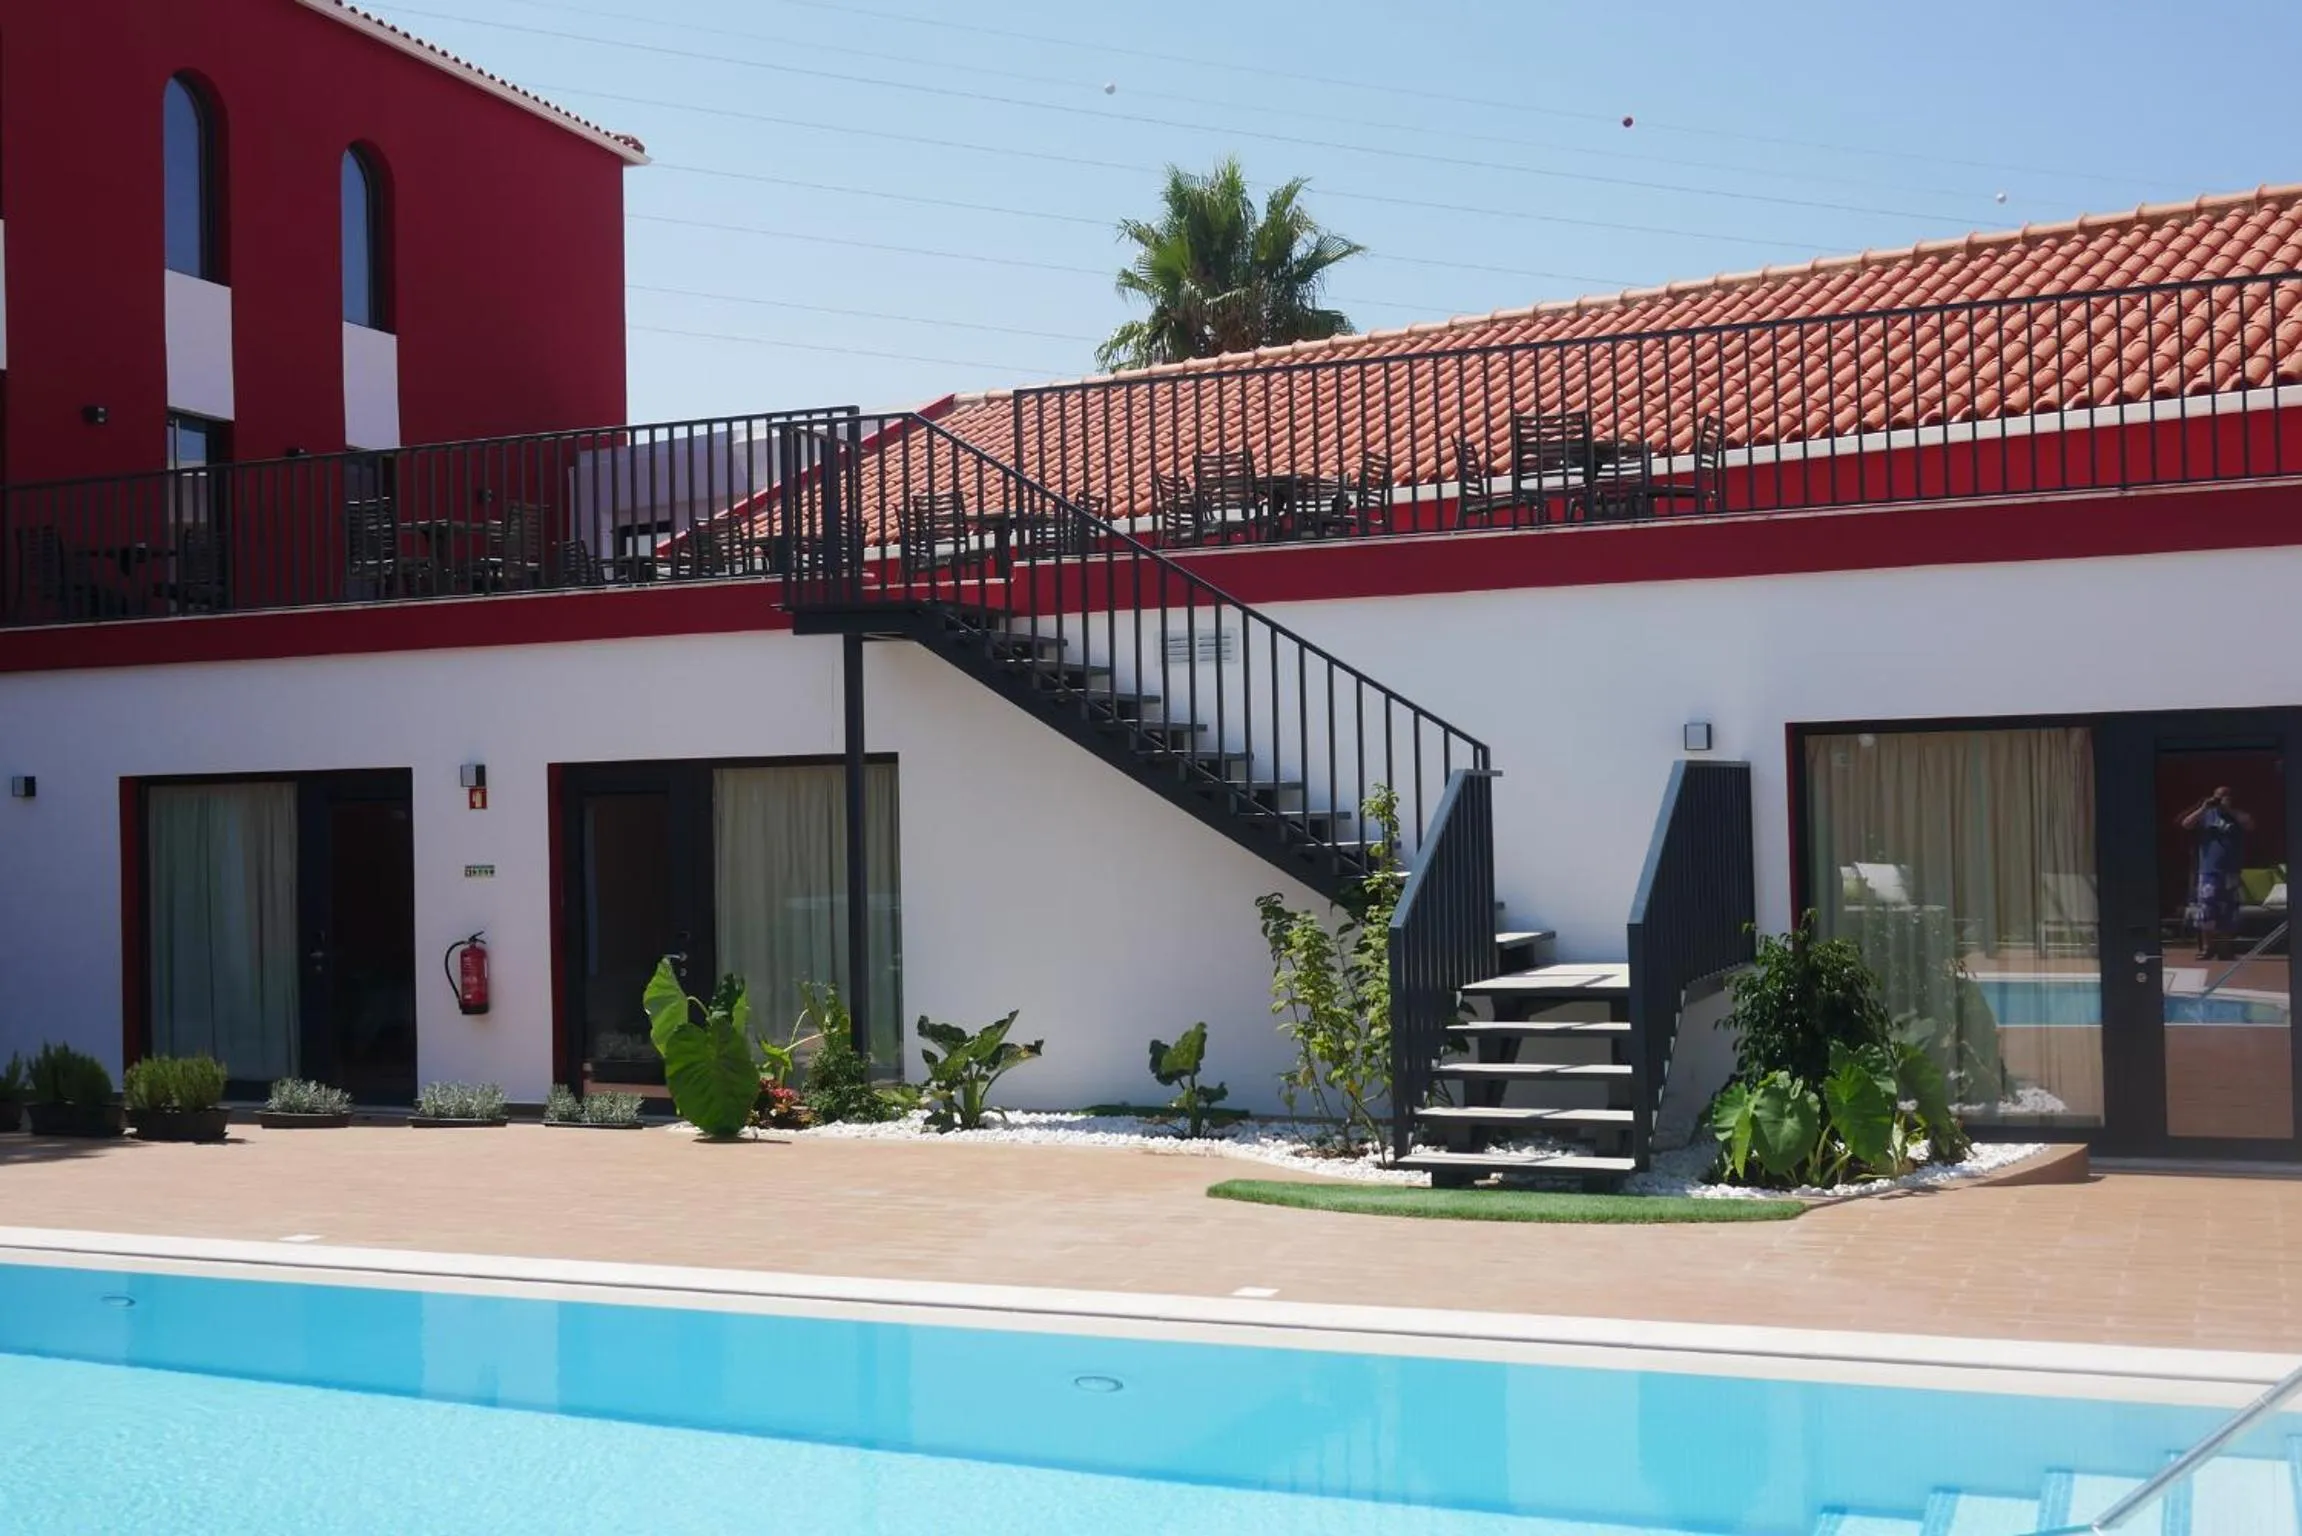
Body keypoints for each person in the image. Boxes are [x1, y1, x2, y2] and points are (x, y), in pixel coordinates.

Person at [2179, 786, 2254, 960]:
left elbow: (2250, 824)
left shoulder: (2236, 815)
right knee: (2207, 910)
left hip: (2230, 871)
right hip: (2209, 870)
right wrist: (2204, 807)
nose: (2220, 800)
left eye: (2224, 797)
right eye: (2217, 797)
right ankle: (2208, 948)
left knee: (2229, 912)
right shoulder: (2206, 814)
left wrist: (2229, 810)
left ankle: (2225, 948)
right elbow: (2186, 824)